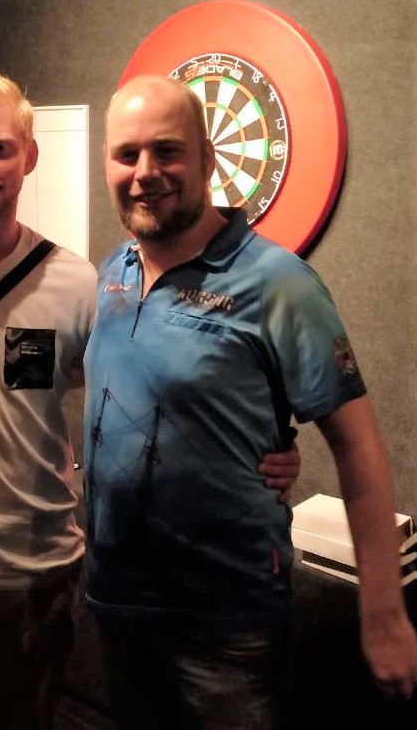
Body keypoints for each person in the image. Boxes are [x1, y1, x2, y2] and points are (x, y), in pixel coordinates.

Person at [0, 70, 301, 730]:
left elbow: (138, 393)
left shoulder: (75, 282)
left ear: (28, 157)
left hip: (37, 568)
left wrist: (267, 447)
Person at [82, 73, 417, 729]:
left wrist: (383, 612)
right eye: (126, 154)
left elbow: (358, 446)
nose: (145, 172)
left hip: (223, 627)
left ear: (208, 159)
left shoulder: (279, 283)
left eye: (167, 151)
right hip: (116, 607)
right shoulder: (114, 272)